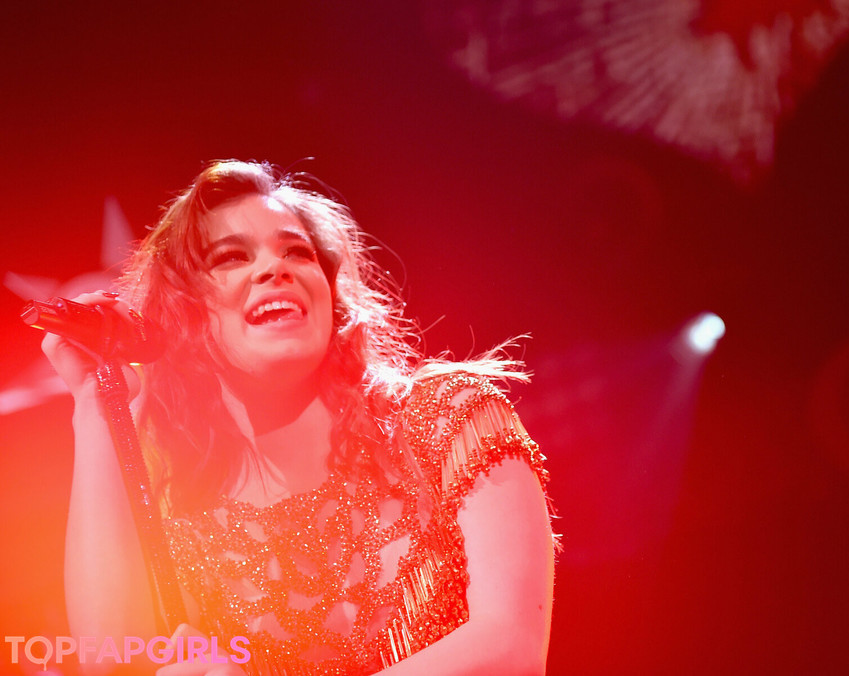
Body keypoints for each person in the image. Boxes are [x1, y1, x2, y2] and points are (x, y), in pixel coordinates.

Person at [42, 160, 555, 675]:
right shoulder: (178, 510)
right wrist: (95, 404)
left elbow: (510, 647)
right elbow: (112, 662)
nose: (275, 268)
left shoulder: (449, 415)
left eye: (297, 252)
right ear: (183, 313)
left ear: (329, 290)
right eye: (231, 257)